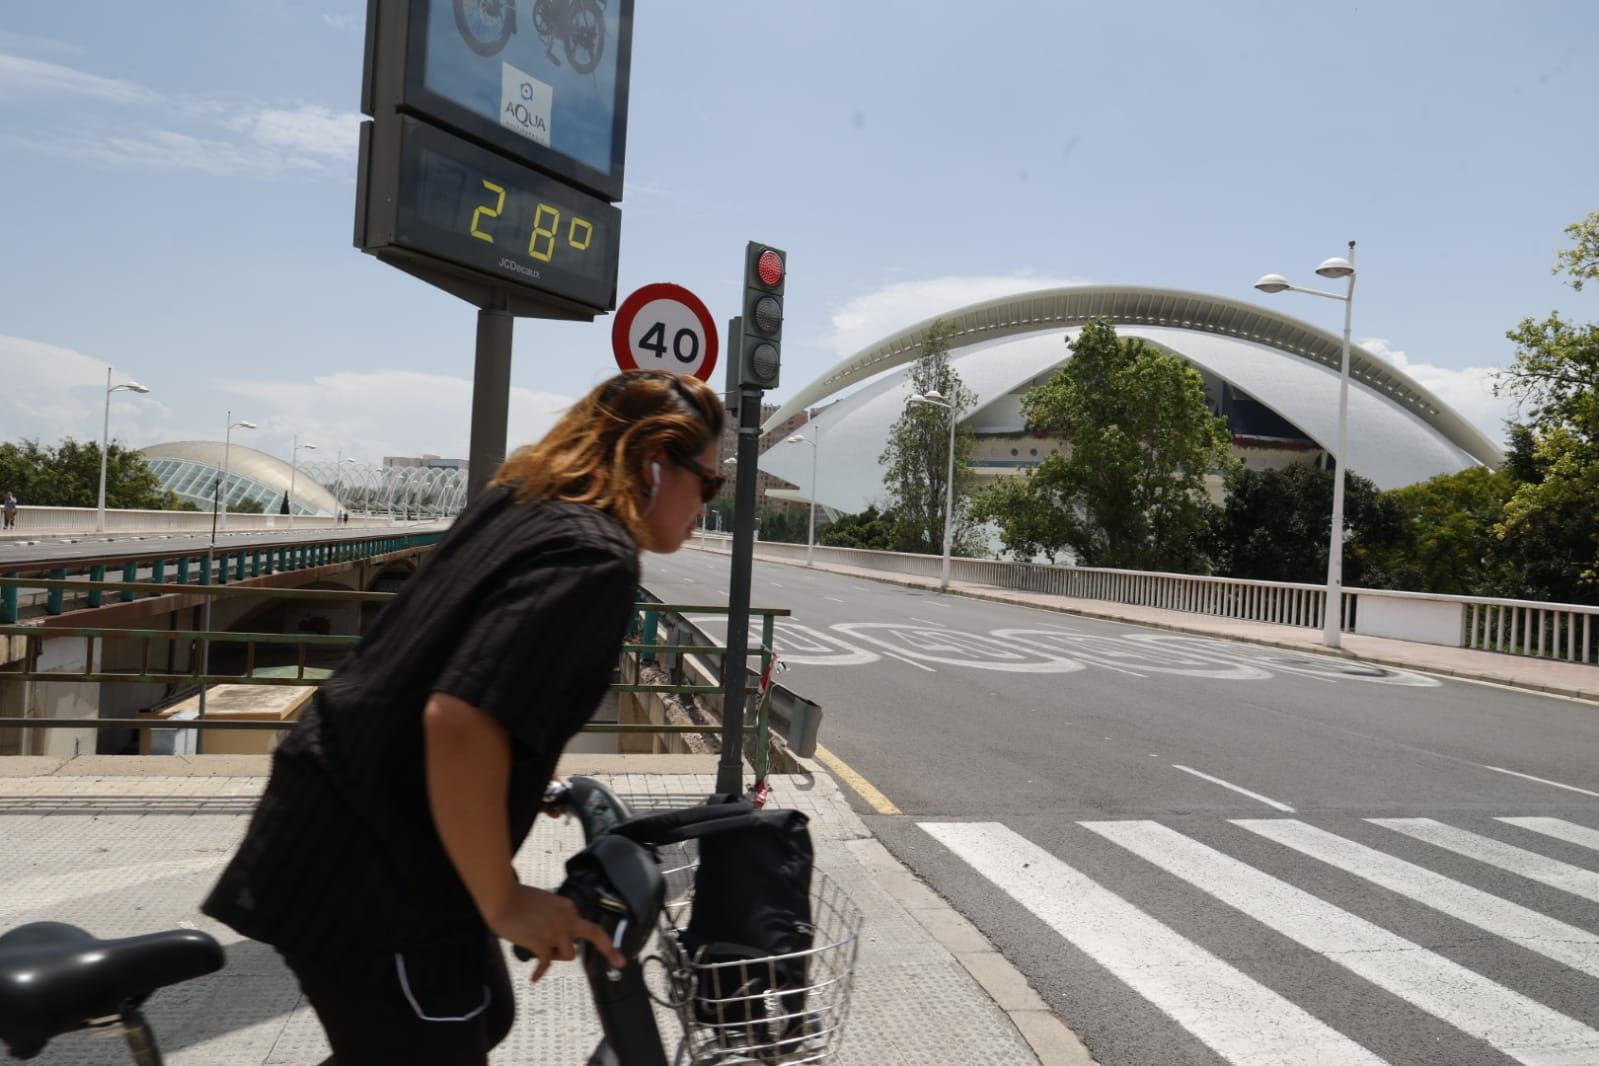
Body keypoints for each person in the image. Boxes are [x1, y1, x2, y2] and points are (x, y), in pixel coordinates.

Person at [202, 370, 726, 1065]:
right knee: (440, 1036)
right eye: (710, 484)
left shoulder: (522, 502)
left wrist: (519, 784)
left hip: (338, 818)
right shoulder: (593, 558)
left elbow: (442, 662)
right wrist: (505, 899)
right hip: (371, 869)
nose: (708, 507)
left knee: (485, 1009)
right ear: (655, 463)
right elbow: (458, 719)